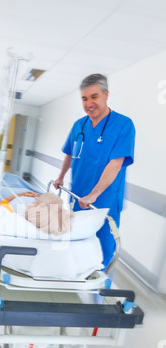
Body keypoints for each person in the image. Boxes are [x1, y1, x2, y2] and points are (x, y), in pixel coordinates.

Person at [54, 74, 135, 269]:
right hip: (78, 195)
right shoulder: (79, 125)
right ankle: (74, 275)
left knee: (105, 247)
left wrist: (94, 194)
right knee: (76, 239)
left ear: (106, 95)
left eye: (94, 96)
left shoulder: (124, 125)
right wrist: (60, 177)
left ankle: (100, 287)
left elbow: (116, 163)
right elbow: (69, 154)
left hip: (106, 199)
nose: (89, 103)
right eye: (84, 98)